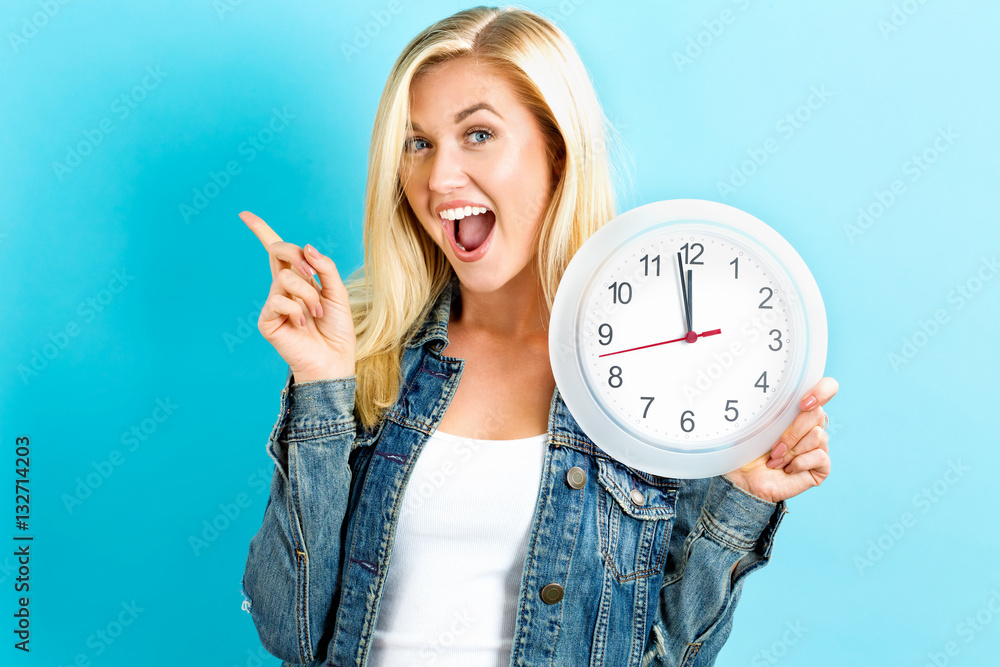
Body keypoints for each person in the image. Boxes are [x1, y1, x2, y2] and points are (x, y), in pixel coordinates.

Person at [239, 5, 838, 666]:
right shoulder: (368, 353)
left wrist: (740, 502)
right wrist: (320, 388)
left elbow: (670, 657)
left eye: (478, 135)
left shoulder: (660, 382)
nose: (439, 179)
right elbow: (288, 629)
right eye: (419, 143)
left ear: (556, 149)